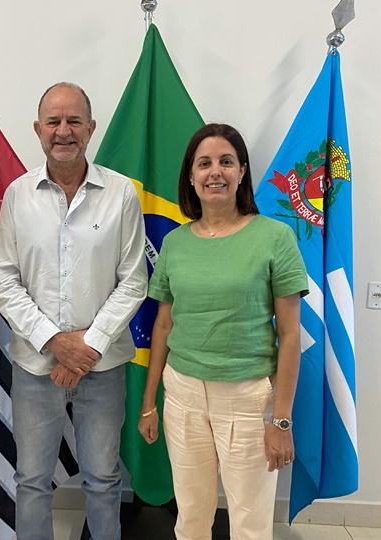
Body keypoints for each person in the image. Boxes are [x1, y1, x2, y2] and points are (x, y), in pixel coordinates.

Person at [0, 82, 148, 540]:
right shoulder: (17, 196)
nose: (64, 131)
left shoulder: (121, 194)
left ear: (91, 128)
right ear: (38, 130)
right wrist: (55, 342)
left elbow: (134, 279)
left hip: (103, 367)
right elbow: (4, 280)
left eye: (74, 121)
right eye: (54, 122)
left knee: (104, 480)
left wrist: (88, 346)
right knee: (32, 482)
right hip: (35, 367)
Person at [137, 124, 309, 540]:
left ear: (242, 172)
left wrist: (281, 421)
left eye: (226, 162)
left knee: (250, 523)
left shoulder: (275, 237)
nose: (216, 172)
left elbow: (290, 335)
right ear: (191, 177)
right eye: (205, 163)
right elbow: (163, 324)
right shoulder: (175, 243)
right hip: (183, 397)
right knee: (191, 517)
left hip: (248, 400)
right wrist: (149, 402)